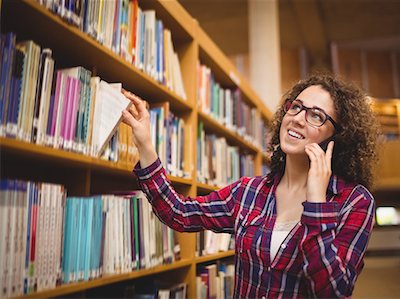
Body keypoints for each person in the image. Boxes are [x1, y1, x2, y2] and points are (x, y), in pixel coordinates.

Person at [122, 73, 380, 298]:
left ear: (337, 137)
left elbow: (334, 291)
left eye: (316, 116)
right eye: (296, 107)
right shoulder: (249, 192)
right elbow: (178, 213)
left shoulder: (354, 202)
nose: (299, 119)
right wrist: (145, 144)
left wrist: (315, 204)